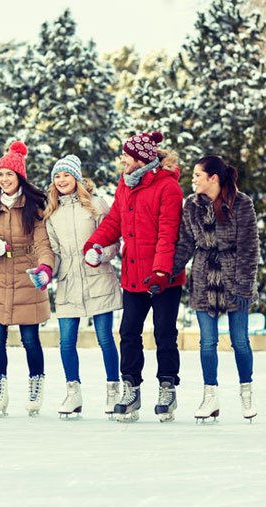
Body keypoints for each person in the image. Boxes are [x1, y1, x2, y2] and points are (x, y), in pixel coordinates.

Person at [84, 131, 185, 423]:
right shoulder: (126, 185)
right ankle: (131, 387)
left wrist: (161, 270)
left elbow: (169, 232)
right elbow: (114, 220)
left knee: (165, 333)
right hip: (133, 274)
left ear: (141, 159)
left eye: (126, 156)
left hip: (162, 277)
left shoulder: (168, 188)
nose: (122, 161)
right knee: (129, 333)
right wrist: (94, 244)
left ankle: (167, 387)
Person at [171, 155, 259, 422]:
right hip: (204, 276)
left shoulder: (241, 204)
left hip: (234, 277)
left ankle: (247, 393)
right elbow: (185, 243)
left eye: (198, 175)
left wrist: (244, 286)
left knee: (239, 341)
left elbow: (249, 248)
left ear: (214, 178)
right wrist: (167, 271)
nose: (193, 179)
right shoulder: (191, 206)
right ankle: (210, 397)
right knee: (207, 342)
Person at [43, 155, 122, 419]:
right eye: (57, 176)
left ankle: (113, 389)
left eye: (66, 175)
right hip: (68, 281)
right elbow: (53, 251)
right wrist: (46, 272)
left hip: (97, 277)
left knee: (105, 338)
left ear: (76, 178)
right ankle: (73, 392)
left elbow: (113, 240)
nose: (61, 180)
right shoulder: (51, 212)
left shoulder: (97, 205)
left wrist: (101, 254)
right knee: (66, 342)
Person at [0, 140, 55, 417]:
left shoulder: (33, 207)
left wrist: (45, 268)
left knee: (30, 338)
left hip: (27, 274)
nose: (4, 179)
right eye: (0, 174)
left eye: (9, 174)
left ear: (19, 177)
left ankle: (36, 385)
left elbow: (43, 243)